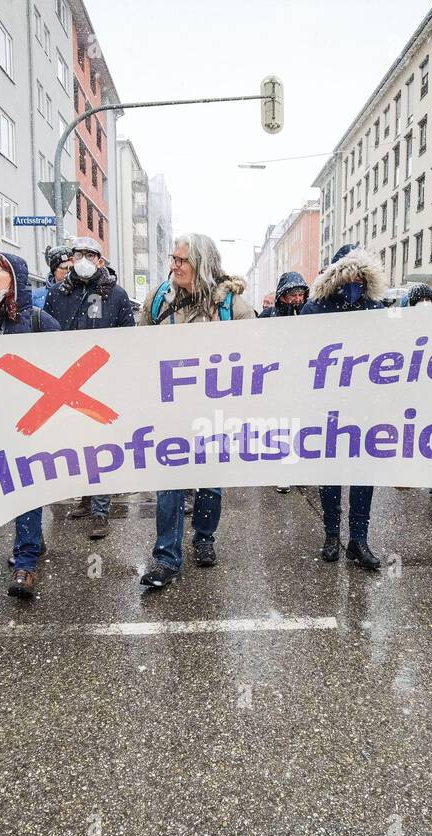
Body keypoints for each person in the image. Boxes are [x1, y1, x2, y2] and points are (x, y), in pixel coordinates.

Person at [137, 233, 255, 589]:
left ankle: (204, 537)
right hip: (170, 411)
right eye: (172, 259)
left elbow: (254, 358)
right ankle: (166, 558)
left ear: (202, 264)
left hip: (213, 413)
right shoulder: (159, 300)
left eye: (181, 261)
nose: (173, 266)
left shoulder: (233, 308)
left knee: (209, 483)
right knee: (169, 484)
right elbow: (137, 345)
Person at [0, 253, 61, 598]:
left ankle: (25, 562)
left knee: (26, 483)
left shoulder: (37, 320)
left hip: (30, 419)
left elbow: (62, 358)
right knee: (10, 484)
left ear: (14, 280)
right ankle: (31, 540)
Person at [299, 243, 386, 570]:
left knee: (364, 474)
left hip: (366, 407)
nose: (354, 286)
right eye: (349, 277)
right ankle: (332, 535)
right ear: (335, 276)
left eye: (361, 280)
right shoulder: (315, 309)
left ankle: (359, 540)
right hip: (328, 407)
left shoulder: (375, 310)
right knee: (332, 473)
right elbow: (300, 357)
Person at [44, 237, 135, 539]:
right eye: (78, 253)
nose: (83, 259)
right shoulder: (57, 294)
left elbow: (127, 337)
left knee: (100, 443)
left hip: (102, 380)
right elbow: (45, 334)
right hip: (67, 380)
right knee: (77, 443)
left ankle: (100, 510)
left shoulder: (116, 295)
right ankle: (85, 497)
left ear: (100, 260)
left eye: (89, 254)